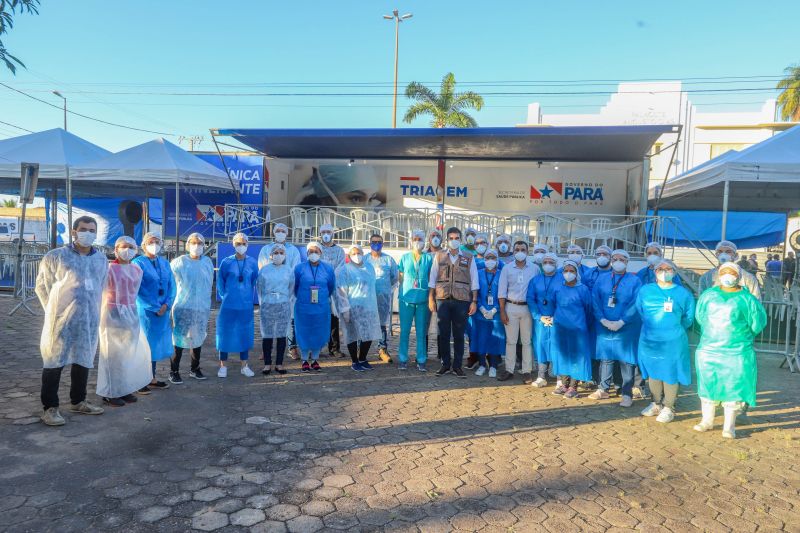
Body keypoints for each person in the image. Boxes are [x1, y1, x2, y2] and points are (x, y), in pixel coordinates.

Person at [36, 216, 108, 426]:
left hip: (88, 318)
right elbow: (42, 286)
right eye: (83, 229)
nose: (88, 233)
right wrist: (54, 311)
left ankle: (78, 400)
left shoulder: (101, 259)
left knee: (83, 359)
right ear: (74, 232)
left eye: (92, 230)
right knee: (54, 361)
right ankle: (50, 408)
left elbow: (102, 286)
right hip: (60, 320)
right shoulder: (56, 256)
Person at [693, 262, 766, 438]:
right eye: (724, 272)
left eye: (731, 272)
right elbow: (700, 317)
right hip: (710, 349)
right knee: (708, 384)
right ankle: (707, 421)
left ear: (738, 276)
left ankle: (729, 426)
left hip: (737, 351)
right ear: (718, 275)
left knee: (733, 387)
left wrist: (740, 335)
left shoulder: (747, 299)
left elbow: (757, 323)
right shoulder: (709, 295)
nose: (727, 275)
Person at [636, 259, 695, 423]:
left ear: (674, 272)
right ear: (654, 272)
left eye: (668, 268)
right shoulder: (645, 291)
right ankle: (656, 403)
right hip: (650, 338)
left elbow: (689, 317)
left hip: (673, 340)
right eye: (660, 268)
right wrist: (652, 327)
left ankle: (669, 406)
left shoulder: (683, 293)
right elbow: (640, 311)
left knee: (671, 372)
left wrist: (672, 328)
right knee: (653, 372)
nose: (664, 271)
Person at [97, 236, 152, 407]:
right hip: (112, 312)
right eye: (123, 246)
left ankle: (125, 388)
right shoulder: (109, 269)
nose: (127, 250)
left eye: (130, 247)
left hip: (130, 311)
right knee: (112, 355)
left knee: (128, 353)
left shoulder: (137, 270)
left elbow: (134, 291)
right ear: (116, 249)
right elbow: (102, 292)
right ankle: (110, 392)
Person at [588, 249, 642, 407]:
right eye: (615, 258)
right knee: (606, 358)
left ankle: (627, 393)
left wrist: (622, 321)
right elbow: (595, 299)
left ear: (627, 261)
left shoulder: (634, 281)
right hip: (604, 325)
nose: (618, 261)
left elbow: (636, 303)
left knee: (627, 361)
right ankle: (603, 388)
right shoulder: (603, 279)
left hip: (626, 327)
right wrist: (602, 319)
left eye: (622, 259)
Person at [428, 227, 479, 377]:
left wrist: (474, 301)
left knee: (458, 335)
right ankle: (445, 364)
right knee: (443, 334)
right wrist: (431, 299)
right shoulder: (439, 255)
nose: (454, 241)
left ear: (460, 240)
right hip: (442, 299)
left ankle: (457, 366)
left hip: (462, 301)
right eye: (451, 238)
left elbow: (474, 281)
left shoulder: (469, 257)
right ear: (447, 240)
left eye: (457, 238)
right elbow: (432, 278)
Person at [133, 232, 175, 392]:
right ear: (144, 245)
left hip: (162, 312)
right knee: (144, 346)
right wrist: (155, 307)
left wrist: (167, 304)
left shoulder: (164, 263)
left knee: (154, 347)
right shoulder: (138, 263)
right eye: (151, 242)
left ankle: (151, 377)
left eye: (157, 241)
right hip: (146, 312)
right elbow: (137, 290)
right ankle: (140, 380)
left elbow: (172, 285)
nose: (154, 244)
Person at [169, 233, 214, 383]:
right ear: (188, 245)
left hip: (200, 308)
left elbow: (209, 285)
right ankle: (173, 371)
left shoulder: (207, 262)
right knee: (179, 340)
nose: (197, 246)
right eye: (193, 243)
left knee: (197, 338)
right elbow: (170, 283)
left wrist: (205, 304)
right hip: (183, 306)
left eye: (200, 243)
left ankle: (195, 369)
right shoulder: (179, 262)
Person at [215, 233, 259, 378]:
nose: (241, 246)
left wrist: (245, 295)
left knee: (244, 333)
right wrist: (226, 296)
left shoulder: (252, 262)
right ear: (233, 244)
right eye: (238, 243)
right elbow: (220, 282)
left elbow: (253, 281)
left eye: (243, 243)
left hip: (245, 305)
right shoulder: (226, 262)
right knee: (224, 333)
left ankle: (244, 365)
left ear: (248, 244)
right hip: (228, 305)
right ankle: (223, 365)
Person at [259, 222, 304, 359]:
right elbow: (262, 270)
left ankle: (292, 347)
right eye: (277, 230)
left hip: (286, 291)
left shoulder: (293, 250)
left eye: (282, 231)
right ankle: (267, 349)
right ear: (273, 232)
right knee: (269, 321)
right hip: (270, 292)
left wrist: (289, 288)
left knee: (289, 320)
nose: (280, 233)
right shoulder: (266, 250)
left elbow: (295, 271)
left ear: (287, 233)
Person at [497, 241, 540, 383]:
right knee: (511, 341)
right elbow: (502, 292)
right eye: (517, 249)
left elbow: (537, 291)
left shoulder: (534, 269)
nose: (520, 251)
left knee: (527, 341)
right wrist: (502, 311)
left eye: (523, 249)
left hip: (528, 308)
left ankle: (527, 370)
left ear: (527, 252)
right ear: (513, 251)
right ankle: (509, 369)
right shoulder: (507, 268)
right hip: (511, 307)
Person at [550, 260, 593, 399]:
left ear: (576, 273)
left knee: (577, 357)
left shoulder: (583, 289)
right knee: (562, 355)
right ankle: (564, 384)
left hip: (578, 329)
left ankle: (574, 387)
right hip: (560, 328)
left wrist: (583, 325)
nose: (568, 273)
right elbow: (553, 304)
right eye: (566, 271)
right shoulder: (557, 288)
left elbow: (589, 309)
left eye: (572, 271)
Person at [336, 244, 383, 371]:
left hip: (368, 307)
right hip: (352, 307)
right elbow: (341, 290)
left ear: (363, 253)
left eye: (359, 253)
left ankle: (363, 358)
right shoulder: (345, 270)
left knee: (368, 334)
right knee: (352, 334)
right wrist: (345, 309)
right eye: (353, 253)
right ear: (349, 256)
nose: (357, 256)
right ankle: (354, 361)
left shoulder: (369, 267)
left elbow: (372, 286)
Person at [294, 241, 337, 371]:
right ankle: (305, 360)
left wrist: (322, 297)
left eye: (316, 251)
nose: (313, 254)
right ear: (307, 253)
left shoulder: (328, 268)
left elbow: (331, 287)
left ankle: (315, 359)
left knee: (319, 331)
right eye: (310, 252)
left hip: (321, 307)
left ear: (321, 253)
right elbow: (295, 287)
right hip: (303, 307)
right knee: (304, 331)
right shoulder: (299, 268)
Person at [397, 230, 433, 371]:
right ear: (411, 240)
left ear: (424, 241)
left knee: (421, 331)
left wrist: (431, 297)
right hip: (406, 298)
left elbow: (431, 279)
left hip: (423, 300)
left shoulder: (429, 258)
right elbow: (400, 277)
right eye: (415, 238)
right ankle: (403, 359)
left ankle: (421, 359)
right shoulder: (405, 258)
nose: (418, 241)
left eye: (420, 239)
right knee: (405, 330)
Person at [257, 244, 294, 376]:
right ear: (271, 255)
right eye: (276, 253)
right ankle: (267, 364)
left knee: (281, 335)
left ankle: (279, 363)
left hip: (283, 305)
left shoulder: (289, 270)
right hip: (267, 305)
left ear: (285, 255)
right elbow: (259, 288)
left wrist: (283, 299)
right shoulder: (264, 270)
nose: (278, 255)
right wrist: (265, 302)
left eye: (281, 253)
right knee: (267, 336)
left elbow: (291, 288)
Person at [527, 252, 560, 388]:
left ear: (556, 264)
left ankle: (559, 377)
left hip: (557, 320)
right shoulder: (535, 280)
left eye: (551, 262)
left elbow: (565, 300)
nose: (548, 265)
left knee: (557, 346)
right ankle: (541, 376)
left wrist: (556, 317)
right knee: (540, 346)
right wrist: (539, 316)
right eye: (545, 262)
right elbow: (530, 298)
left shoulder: (562, 279)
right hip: (540, 320)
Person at [366, 233, 399, 363]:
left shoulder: (389, 260)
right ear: (370, 243)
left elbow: (394, 278)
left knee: (381, 325)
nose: (376, 244)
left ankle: (382, 349)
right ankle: (360, 350)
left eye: (379, 242)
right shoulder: (364, 259)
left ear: (382, 244)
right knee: (365, 323)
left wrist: (383, 290)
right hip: (367, 299)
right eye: (374, 242)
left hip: (382, 298)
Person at [473, 249, 505, 377]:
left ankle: (493, 365)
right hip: (481, 313)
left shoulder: (502, 274)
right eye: (487, 258)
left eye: (493, 258)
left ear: (497, 260)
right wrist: (481, 308)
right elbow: (475, 292)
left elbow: (503, 294)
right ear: (484, 260)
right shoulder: (478, 273)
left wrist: (494, 310)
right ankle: (481, 364)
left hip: (496, 314)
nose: (490, 261)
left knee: (495, 340)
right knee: (481, 339)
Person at [319, 223, 346, 357]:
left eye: (328, 232)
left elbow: (341, 267)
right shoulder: (316, 249)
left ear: (332, 233)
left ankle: (334, 348)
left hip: (334, 288)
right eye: (323, 232)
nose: (326, 234)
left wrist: (330, 278)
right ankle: (316, 347)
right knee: (318, 317)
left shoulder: (340, 251)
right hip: (319, 288)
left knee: (333, 319)